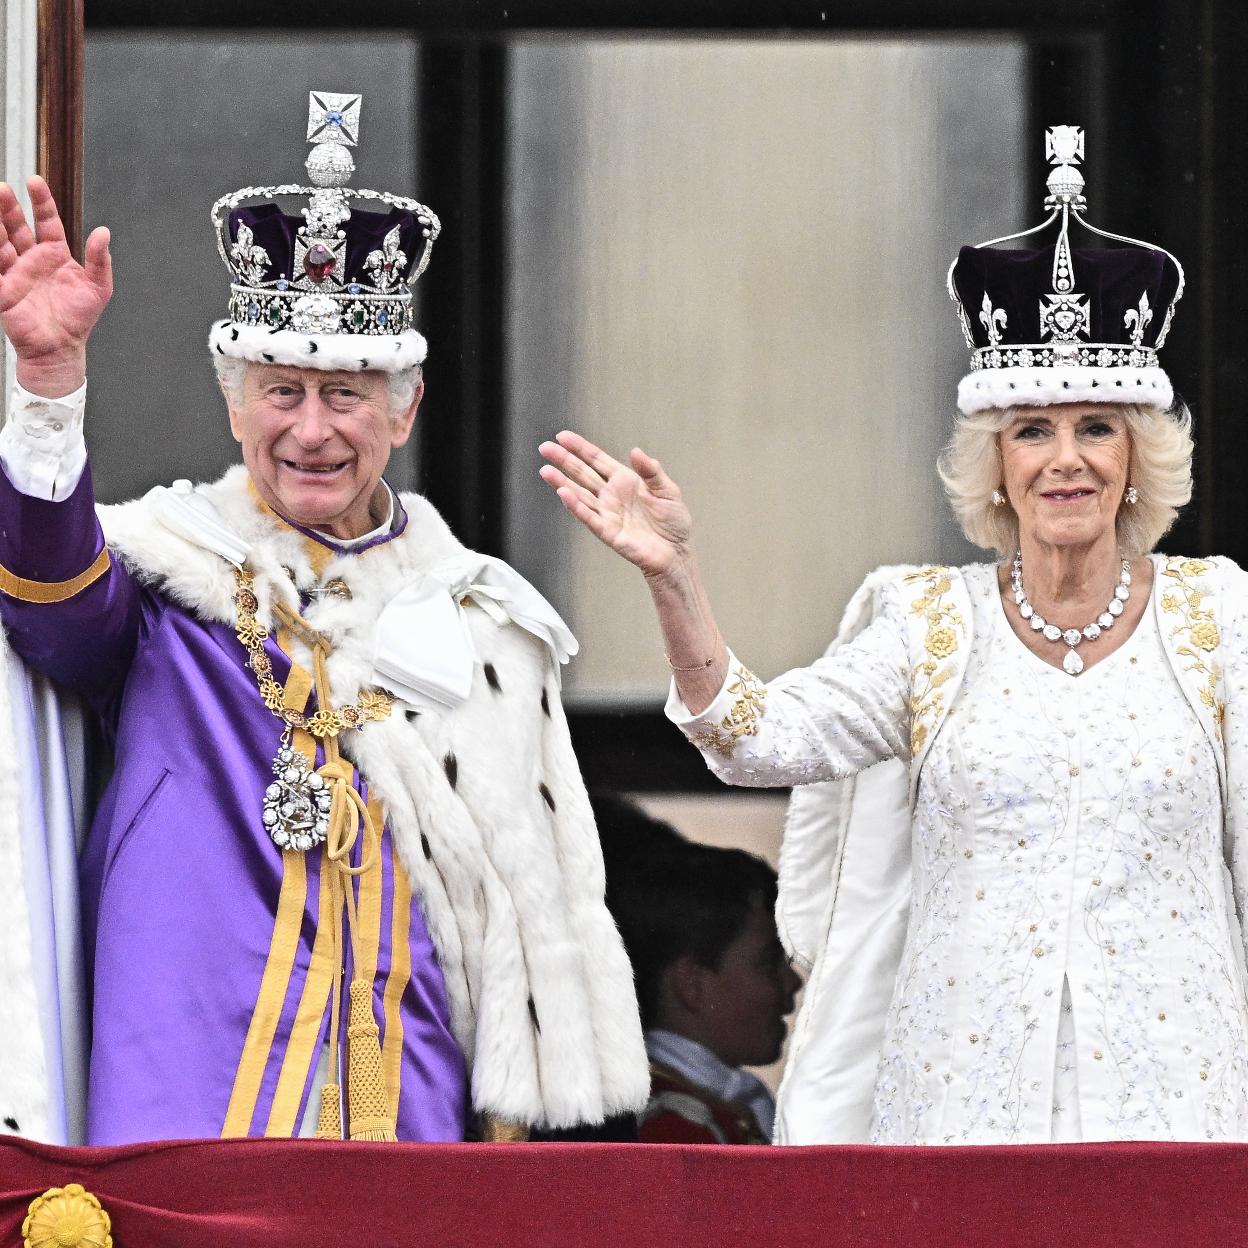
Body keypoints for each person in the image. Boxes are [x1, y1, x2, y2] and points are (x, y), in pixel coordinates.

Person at [539, 124, 1248, 1145]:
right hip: (961, 1116)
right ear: (993, 461)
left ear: (1139, 456)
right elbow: (755, 741)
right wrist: (674, 577)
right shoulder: (927, 623)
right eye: (1033, 431)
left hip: (1180, 1112)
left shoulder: (1215, 617)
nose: (1067, 460)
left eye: (1097, 427)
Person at [0, 91, 647, 1146]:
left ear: (405, 409)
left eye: (346, 393)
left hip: (408, 1083)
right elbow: (50, 606)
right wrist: (49, 385)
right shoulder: (174, 576)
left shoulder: (486, 623)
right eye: (281, 390)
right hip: (188, 1082)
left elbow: (525, 919)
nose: (311, 429)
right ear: (231, 400)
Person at [592, 794, 800, 1144]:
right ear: (691, 983)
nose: (793, 981)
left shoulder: (718, 1102)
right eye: (768, 961)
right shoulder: (672, 1124)